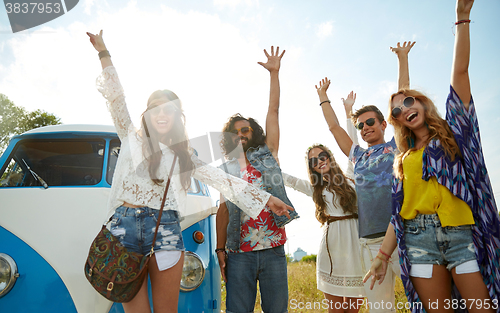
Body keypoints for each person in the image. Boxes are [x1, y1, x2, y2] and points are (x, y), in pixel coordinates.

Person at [86, 31, 294, 313]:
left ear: (176, 117)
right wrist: (103, 54)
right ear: (146, 113)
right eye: (155, 108)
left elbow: (223, 180)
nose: (162, 113)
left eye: (169, 109)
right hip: (124, 230)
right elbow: (116, 99)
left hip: (167, 231)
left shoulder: (182, 155)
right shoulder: (131, 137)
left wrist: (267, 199)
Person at [363, 0, 500, 312]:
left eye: (410, 101)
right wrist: (383, 257)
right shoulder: (404, 156)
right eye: (397, 110)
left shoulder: (455, 136)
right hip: (418, 239)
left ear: (423, 103)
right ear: (396, 121)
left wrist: (461, 20)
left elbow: (460, 73)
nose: (404, 109)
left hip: (462, 236)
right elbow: (398, 212)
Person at [313, 41, 414, 312]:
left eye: (371, 122)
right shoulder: (357, 155)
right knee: (381, 308)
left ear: (383, 124)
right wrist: (323, 97)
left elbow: (404, 102)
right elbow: (334, 127)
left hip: (404, 235)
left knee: (423, 302)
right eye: (360, 125)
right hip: (369, 243)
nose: (365, 127)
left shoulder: (396, 146)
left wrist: (402, 59)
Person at [215, 46, 298, 313]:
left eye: (245, 129)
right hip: (239, 253)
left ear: (253, 132)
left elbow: (273, 111)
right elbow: (223, 210)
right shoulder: (225, 168)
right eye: (234, 131)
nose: (240, 134)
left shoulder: (268, 153)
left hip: (273, 247)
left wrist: (274, 74)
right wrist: (220, 250)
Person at [282, 143, 365, 313]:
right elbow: (289, 180)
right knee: (335, 311)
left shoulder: (350, 177)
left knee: (353, 310)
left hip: (356, 246)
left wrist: (350, 116)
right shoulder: (315, 189)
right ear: (311, 167)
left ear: (329, 156)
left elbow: (352, 147)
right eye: (313, 161)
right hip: (331, 248)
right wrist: (267, 165)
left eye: (322, 156)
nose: (319, 161)